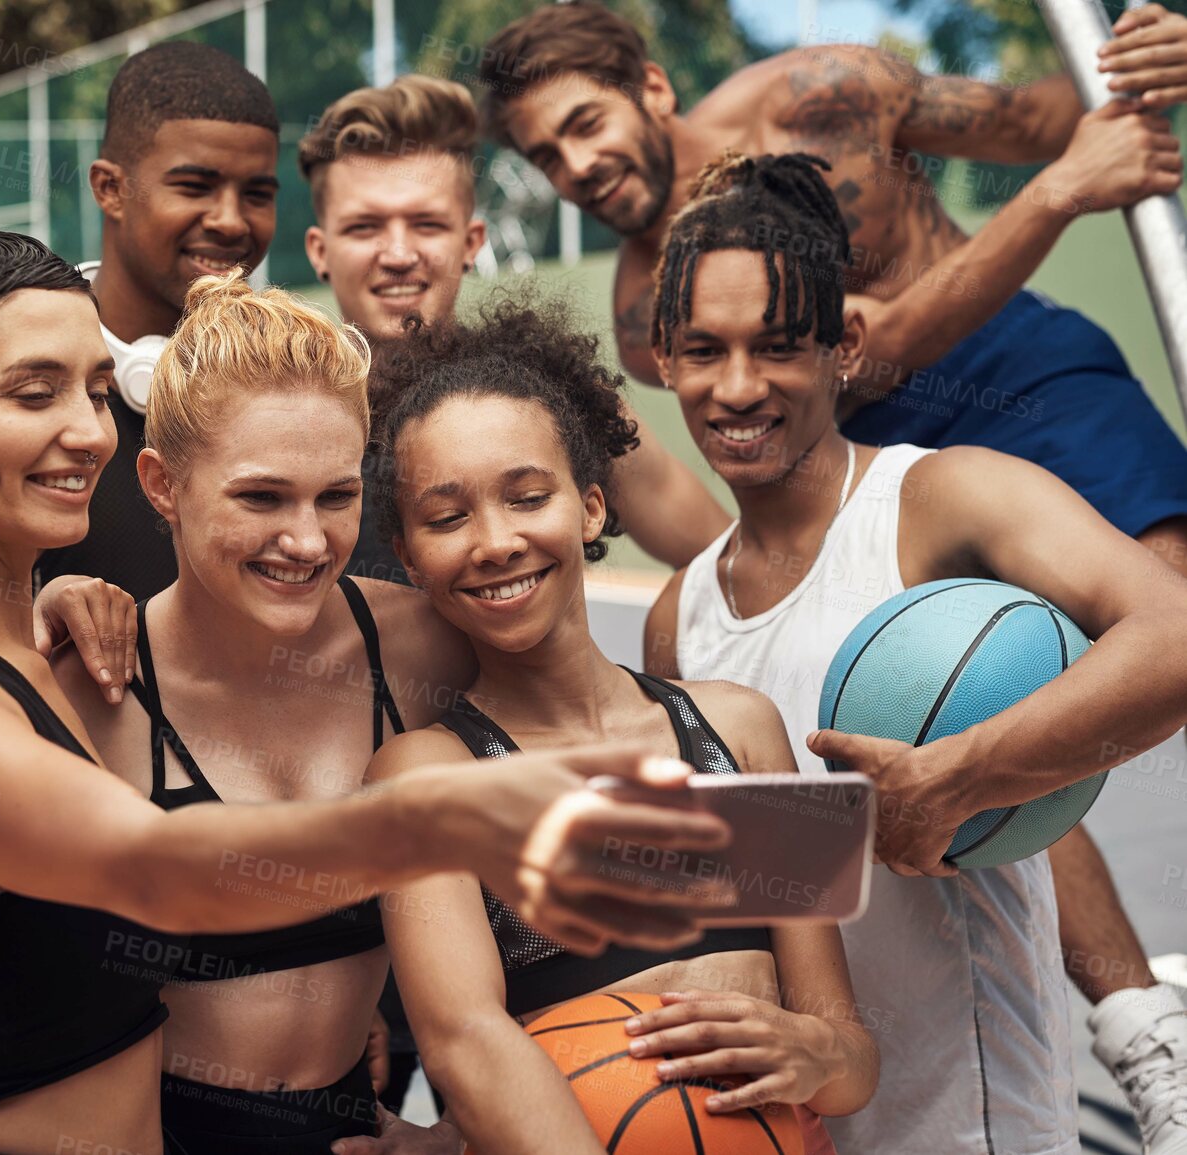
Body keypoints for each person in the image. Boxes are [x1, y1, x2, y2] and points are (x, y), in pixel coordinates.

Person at [0, 230, 743, 1155]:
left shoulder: (406, 650)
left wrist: (490, 1120)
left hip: (338, 1125)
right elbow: (123, 867)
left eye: (335, 496)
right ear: (163, 486)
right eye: (259, 497)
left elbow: (622, 751)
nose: (306, 538)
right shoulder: (81, 680)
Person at [480, 0, 1187, 1119]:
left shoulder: (821, 99)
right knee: (940, 710)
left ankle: (1144, 1032)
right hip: (833, 435)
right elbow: (844, 368)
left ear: (653, 90)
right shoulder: (639, 316)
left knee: (1150, 611)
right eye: (541, 154)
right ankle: (1126, 1020)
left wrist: (1150, 70)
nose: (573, 165)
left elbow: (1056, 118)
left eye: (583, 124)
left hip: (1003, 362)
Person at [639, 153, 1187, 1155]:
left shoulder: (943, 497)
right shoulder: (680, 619)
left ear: (846, 345)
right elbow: (748, 899)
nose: (738, 386)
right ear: (663, 358)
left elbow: (1175, 634)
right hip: (794, 1124)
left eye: (777, 347)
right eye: (704, 351)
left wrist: (954, 778)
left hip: (978, 1120)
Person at [337, 292, 877, 1155]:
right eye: (446, 517)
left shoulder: (741, 732)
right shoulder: (423, 776)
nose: (495, 541)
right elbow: (463, 1042)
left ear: (590, 508)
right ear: (406, 555)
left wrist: (813, 1050)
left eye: (527, 496)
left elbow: (850, 1058)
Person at [297, 73, 731, 580]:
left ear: (472, 241)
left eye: (428, 224)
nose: (397, 254)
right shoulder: (280, 411)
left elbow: (724, 561)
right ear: (319, 252)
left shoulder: (552, 388)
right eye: (364, 227)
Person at [35, 39, 281, 604]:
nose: (229, 220)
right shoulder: (18, 378)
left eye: (257, 194)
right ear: (110, 188)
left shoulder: (286, 381)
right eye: (194, 187)